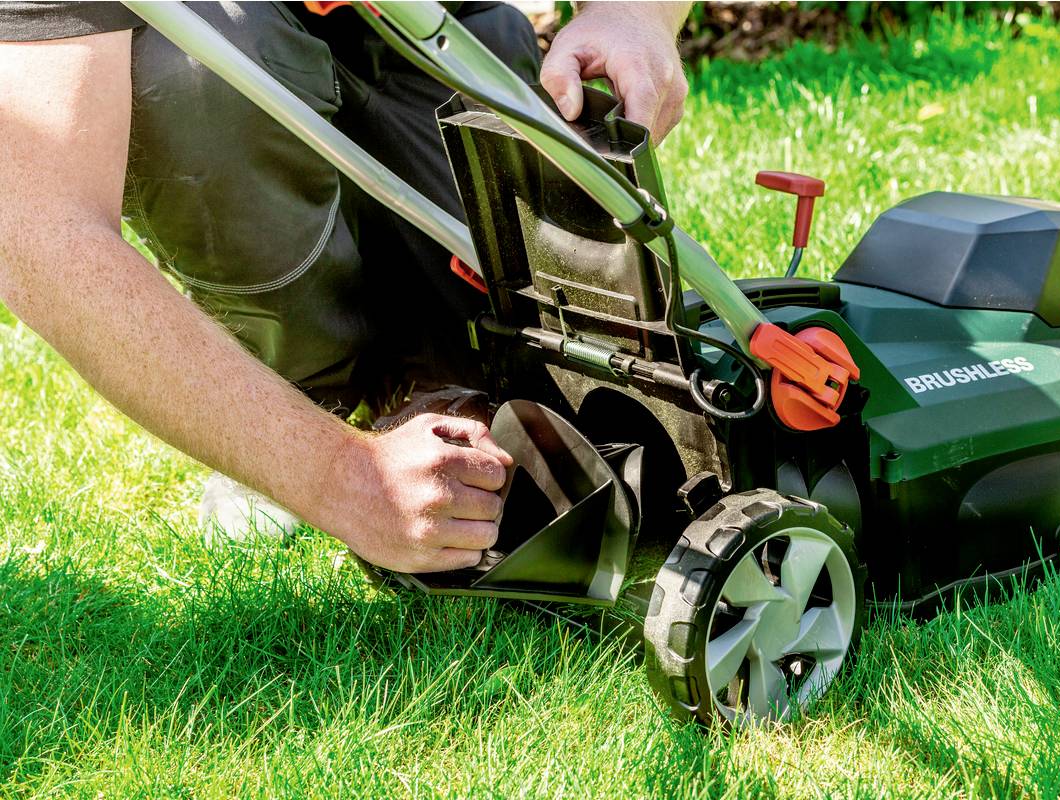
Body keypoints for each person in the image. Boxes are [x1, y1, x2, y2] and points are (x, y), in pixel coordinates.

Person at [0, 2, 690, 572]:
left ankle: (434, 369)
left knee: (515, 363)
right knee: (201, 58)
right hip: (225, 71)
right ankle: (300, 395)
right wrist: (341, 477)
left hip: (434, 31)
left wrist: (636, 16)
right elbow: (41, 230)